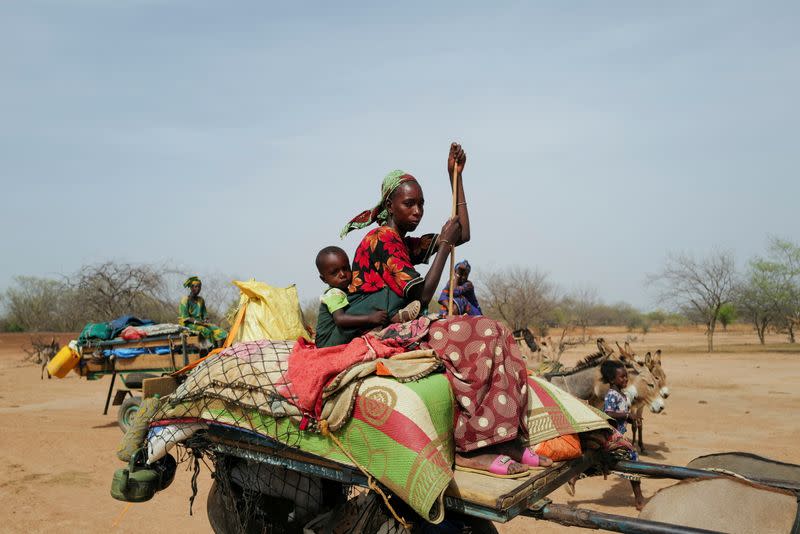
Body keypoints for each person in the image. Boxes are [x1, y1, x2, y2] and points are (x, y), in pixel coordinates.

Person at [337, 143, 553, 477]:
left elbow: (461, 233)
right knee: (478, 335)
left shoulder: (405, 243)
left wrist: (456, 180)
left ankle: (506, 438)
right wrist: (445, 247)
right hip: (378, 330)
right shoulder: (380, 239)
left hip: (406, 326)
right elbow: (421, 296)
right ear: (390, 205)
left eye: (421, 203)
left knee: (496, 331)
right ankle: (470, 448)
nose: (418, 210)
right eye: (410, 203)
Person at [568, 359, 644, 509]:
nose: (626, 379)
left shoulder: (621, 394)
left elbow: (620, 414)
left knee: (600, 460)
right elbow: (609, 413)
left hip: (617, 434)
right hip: (610, 435)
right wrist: (628, 416)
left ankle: (574, 475)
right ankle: (639, 497)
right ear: (611, 380)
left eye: (626, 376)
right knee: (633, 457)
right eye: (622, 377)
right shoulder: (611, 395)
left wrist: (631, 420)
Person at [314, 246, 421, 348]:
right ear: (324, 279)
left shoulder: (346, 290)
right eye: (334, 272)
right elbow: (340, 319)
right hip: (327, 342)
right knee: (359, 308)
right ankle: (394, 314)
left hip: (334, 337)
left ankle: (392, 314)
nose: (342, 274)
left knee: (363, 299)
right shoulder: (333, 293)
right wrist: (371, 318)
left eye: (345, 268)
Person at [178, 276, 228, 348]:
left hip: (201, 323)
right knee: (207, 331)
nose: (197, 289)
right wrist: (197, 322)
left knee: (222, 332)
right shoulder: (185, 300)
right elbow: (185, 318)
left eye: (199, 287)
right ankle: (213, 349)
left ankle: (223, 350)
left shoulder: (201, 300)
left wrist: (206, 319)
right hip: (188, 325)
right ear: (191, 288)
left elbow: (204, 314)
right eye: (195, 287)